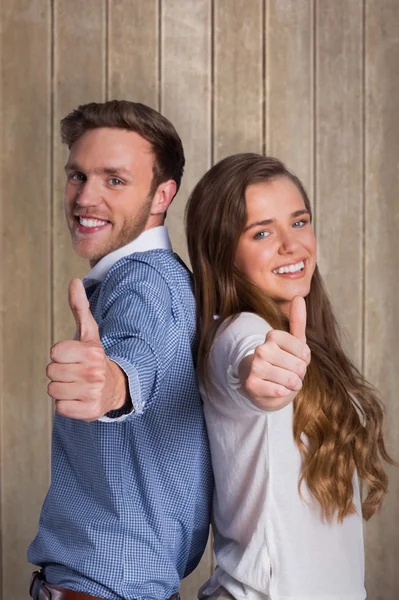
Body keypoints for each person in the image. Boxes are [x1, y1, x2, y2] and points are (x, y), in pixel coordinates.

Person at [185, 153, 394, 600]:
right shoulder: (239, 331)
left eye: (299, 222)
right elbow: (246, 362)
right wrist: (256, 373)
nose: (291, 245)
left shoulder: (302, 336)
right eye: (262, 232)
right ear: (224, 253)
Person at [28, 100, 213, 600]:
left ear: (161, 195)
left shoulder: (144, 282)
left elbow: (136, 361)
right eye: (77, 176)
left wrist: (112, 384)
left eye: (114, 180)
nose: (85, 197)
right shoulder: (148, 278)